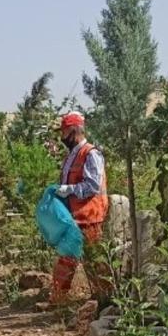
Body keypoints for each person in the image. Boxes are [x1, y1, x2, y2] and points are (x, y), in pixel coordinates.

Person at [51, 111, 111, 303]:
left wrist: (69, 189)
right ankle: (59, 301)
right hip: (73, 217)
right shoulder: (71, 156)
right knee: (67, 259)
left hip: (90, 217)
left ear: (75, 130)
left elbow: (93, 185)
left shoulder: (90, 154)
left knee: (94, 262)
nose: (62, 137)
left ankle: (105, 301)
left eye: (64, 132)